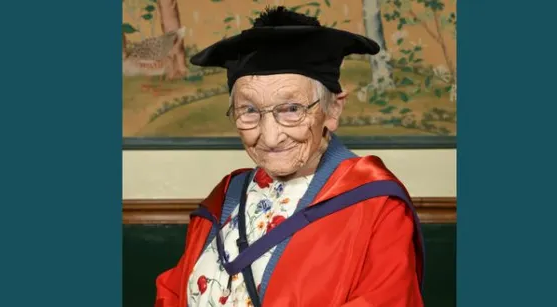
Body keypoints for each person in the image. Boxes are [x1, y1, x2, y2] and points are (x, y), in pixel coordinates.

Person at [154, 7, 425, 307]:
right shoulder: (226, 198)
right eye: (250, 111)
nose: (270, 137)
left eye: (292, 109)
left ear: (333, 109)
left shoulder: (375, 206)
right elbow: (173, 293)